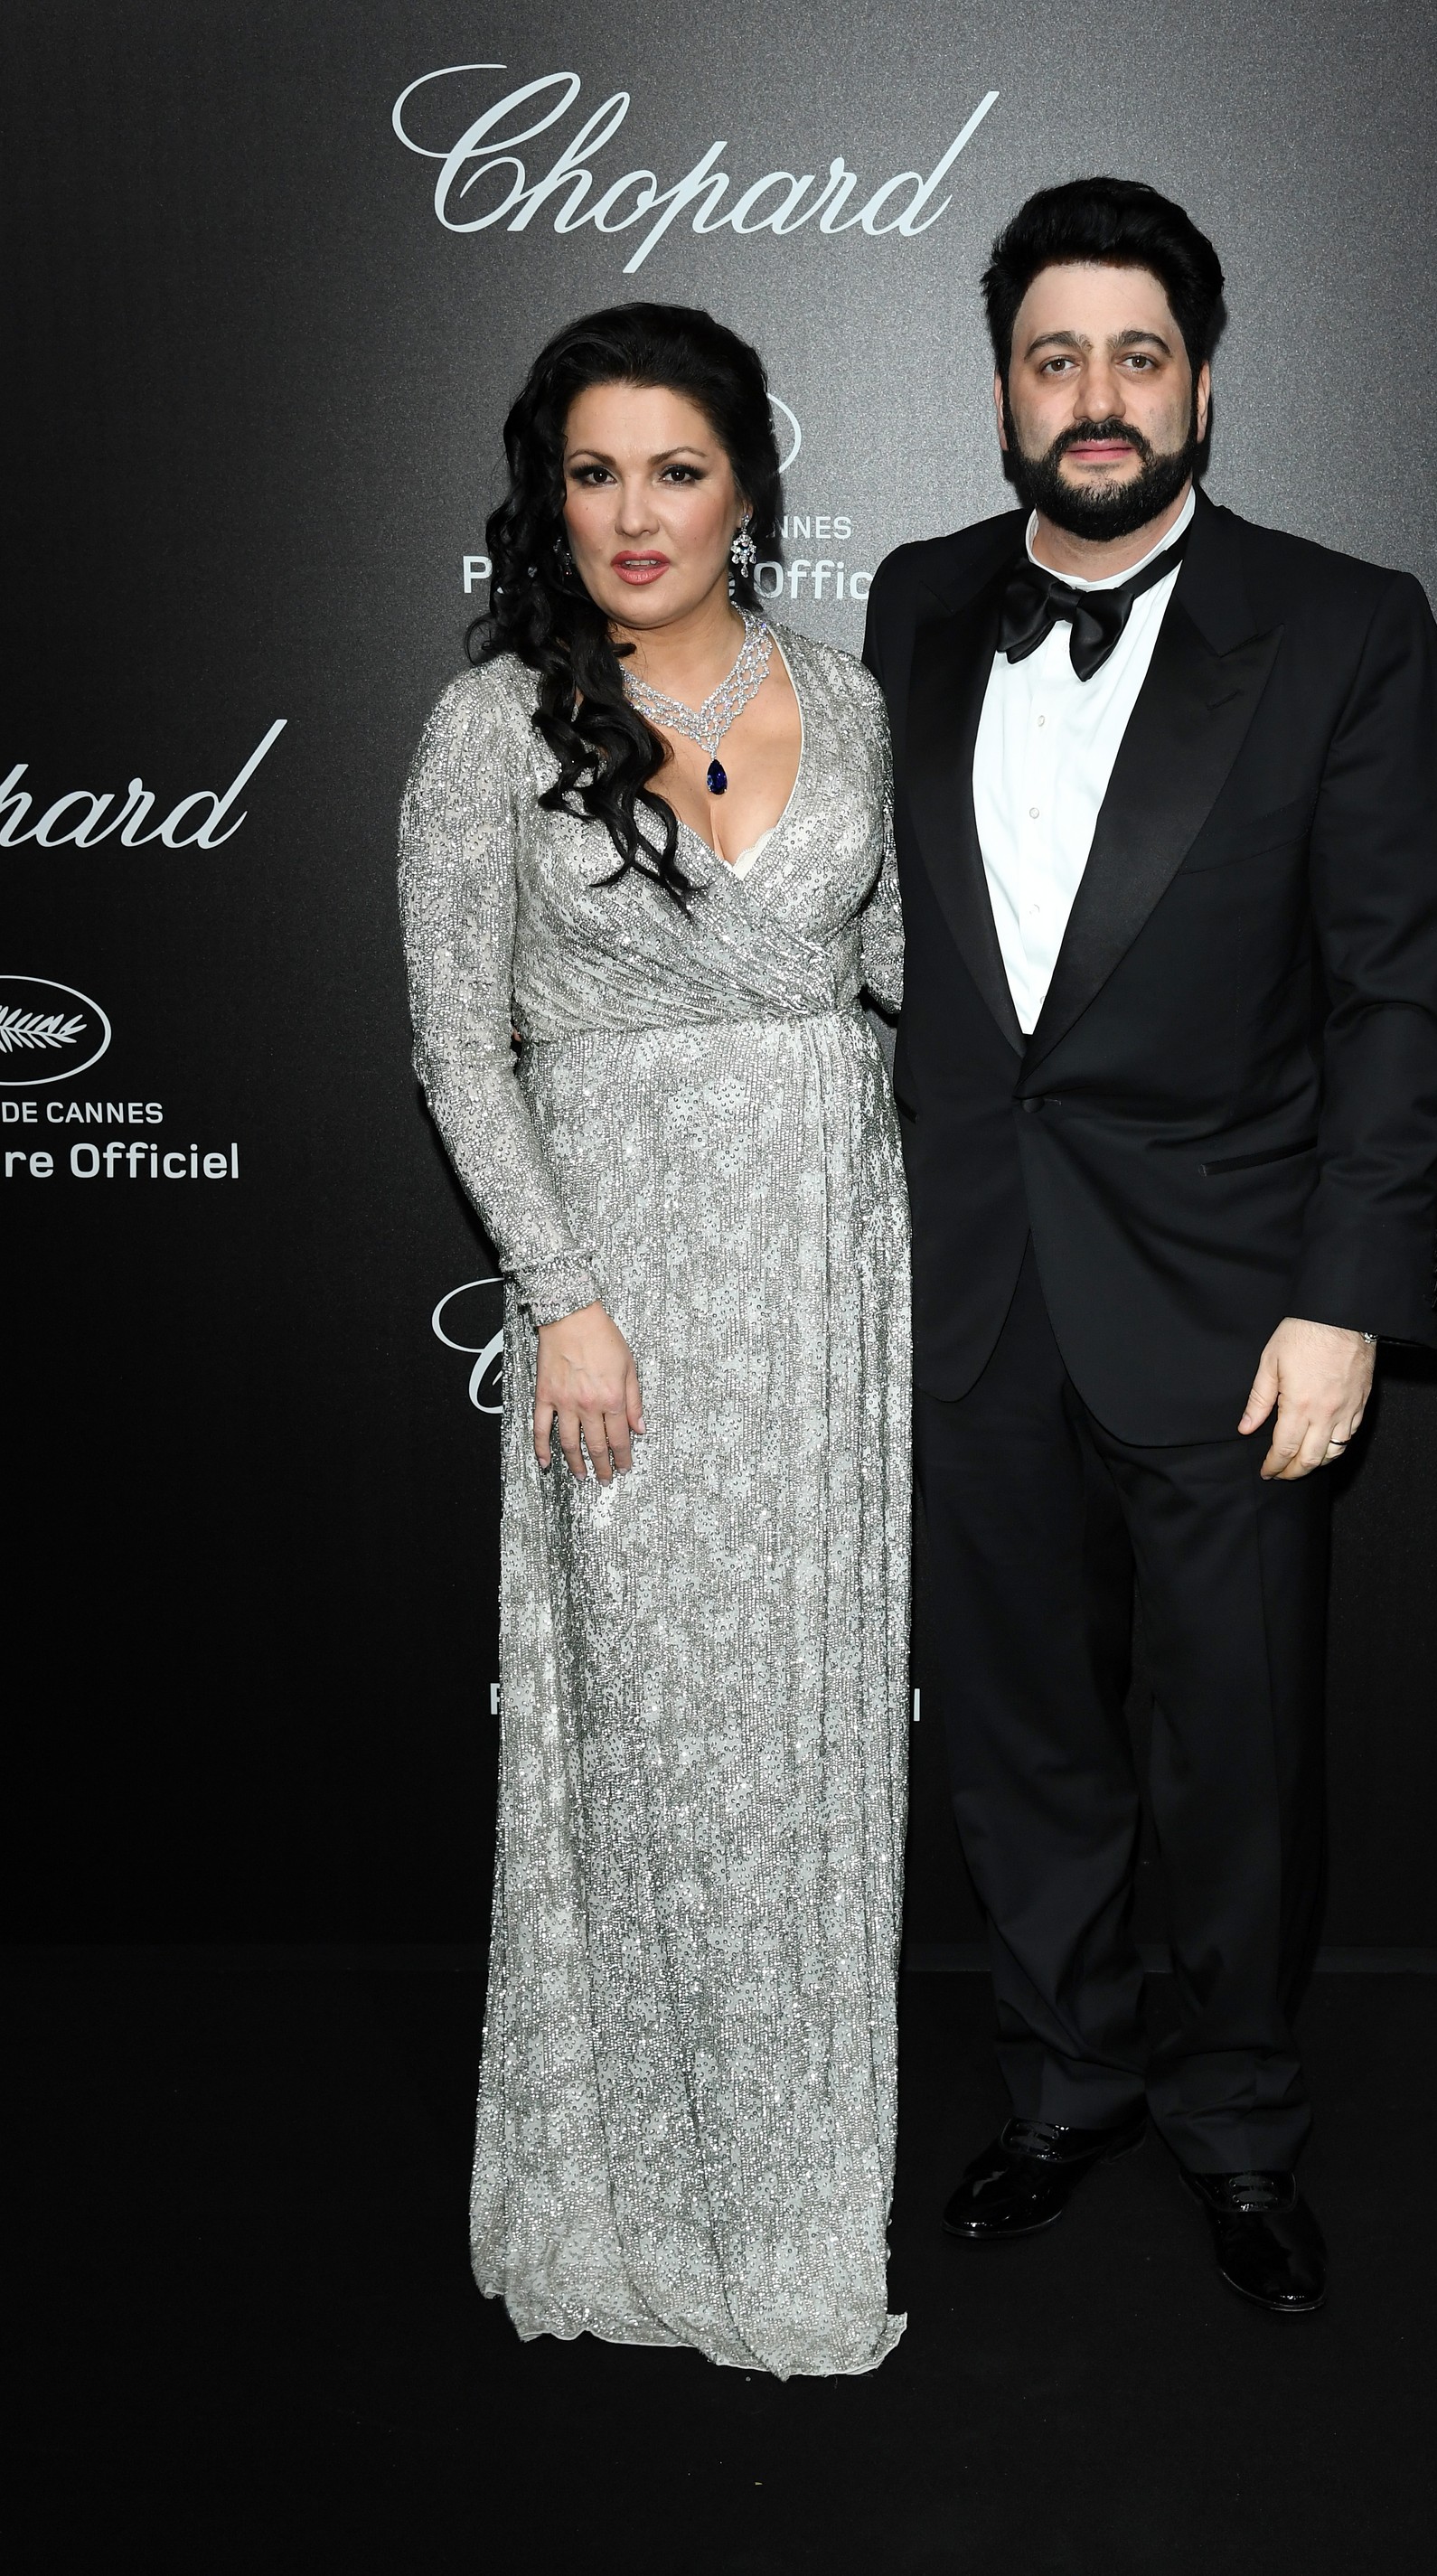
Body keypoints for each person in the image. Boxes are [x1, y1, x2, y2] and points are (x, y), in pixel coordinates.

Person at [863, 179, 1437, 2313]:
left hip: (1229, 1302)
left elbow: (1399, 990)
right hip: (965, 1283)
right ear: (1002, 390)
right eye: (1053, 358)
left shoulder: (1342, 624)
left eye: (1136, 354)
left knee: (1232, 1750)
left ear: (1202, 382)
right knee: (1019, 1731)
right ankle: (1062, 2086)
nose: (1094, 395)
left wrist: (1343, 1298)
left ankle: (1234, 2125)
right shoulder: (911, 606)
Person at [398, 304, 911, 2376]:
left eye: (675, 470)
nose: (633, 514)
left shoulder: (846, 699)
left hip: (827, 1279)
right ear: (548, 497)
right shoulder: (491, 728)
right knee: (649, 1753)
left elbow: (901, 974)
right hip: (621, 1300)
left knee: (809, 1746)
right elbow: (457, 1044)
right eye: (593, 473)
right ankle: (631, 2194)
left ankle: (793, 2200)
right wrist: (564, 1301)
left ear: (746, 491)